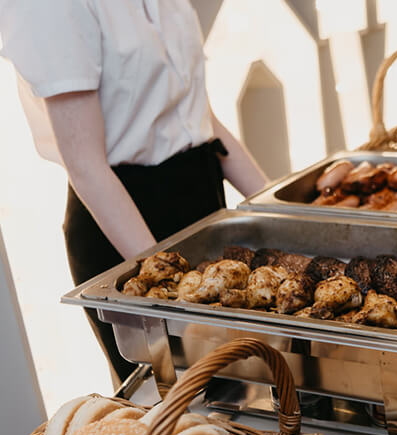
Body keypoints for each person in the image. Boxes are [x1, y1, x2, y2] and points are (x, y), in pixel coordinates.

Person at [0, 0, 268, 386]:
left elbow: (196, 116)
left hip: (203, 202)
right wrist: (173, 294)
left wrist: (274, 203)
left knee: (246, 385)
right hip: (129, 223)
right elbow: (86, 166)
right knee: (182, 404)